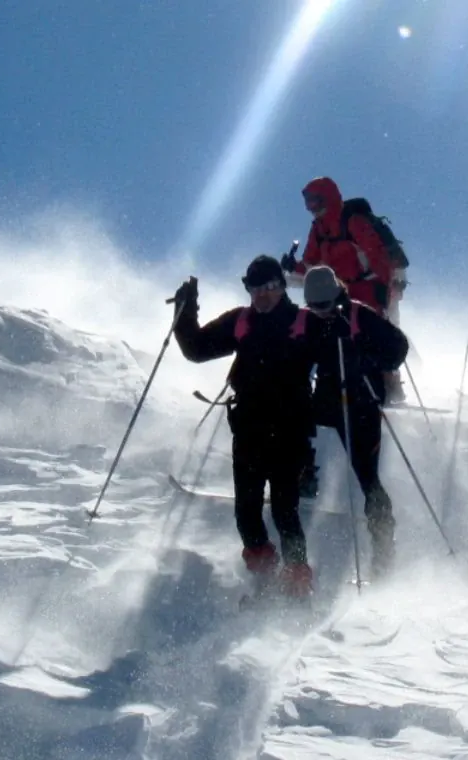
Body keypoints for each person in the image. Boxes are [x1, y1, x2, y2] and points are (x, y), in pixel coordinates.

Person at [171, 255, 318, 599]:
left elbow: (338, 350)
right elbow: (196, 348)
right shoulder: (241, 322)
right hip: (249, 431)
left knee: (285, 512)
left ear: (282, 287)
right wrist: (185, 310)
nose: (264, 295)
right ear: (249, 290)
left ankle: (297, 583)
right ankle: (266, 580)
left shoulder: (303, 323)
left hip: (290, 433)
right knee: (246, 513)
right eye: (257, 289)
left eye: (271, 287)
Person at [299, 266, 411, 578]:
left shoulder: (359, 316)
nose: (319, 313)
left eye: (324, 306)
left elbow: (398, 348)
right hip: (327, 398)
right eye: (313, 307)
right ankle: (304, 476)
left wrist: (368, 357)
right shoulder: (310, 321)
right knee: (296, 419)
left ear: (336, 296)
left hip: (361, 403)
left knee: (367, 473)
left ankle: (383, 541)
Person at [283, 176, 405, 404]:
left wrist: (385, 291)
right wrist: (294, 267)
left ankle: (390, 388)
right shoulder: (319, 229)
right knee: (337, 334)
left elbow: (379, 258)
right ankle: (343, 386)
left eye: (316, 202)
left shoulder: (353, 222)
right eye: (308, 204)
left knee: (372, 332)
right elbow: (312, 265)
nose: (312, 209)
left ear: (328, 198)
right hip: (339, 289)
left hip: (368, 286)